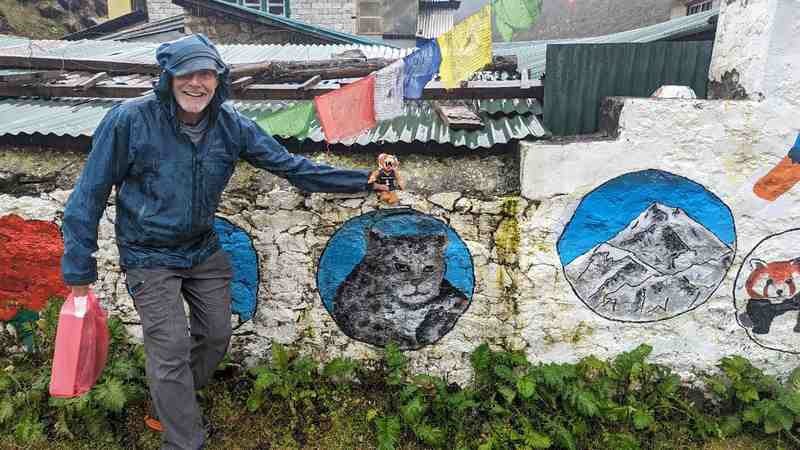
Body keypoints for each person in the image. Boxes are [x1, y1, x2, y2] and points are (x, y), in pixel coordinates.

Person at [60, 34, 384, 450]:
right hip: (149, 254)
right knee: (171, 347)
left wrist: (363, 181)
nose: (197, 83)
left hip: (202, 248)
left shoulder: (232, 125)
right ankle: (184, 440)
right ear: (168, 76)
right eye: (187, 73)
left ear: (219, 79)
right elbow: (88, 195)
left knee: (215, 337)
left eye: (207, 74)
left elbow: (290, 167)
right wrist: (78, 269)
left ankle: (167, 403)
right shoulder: (129, 120)